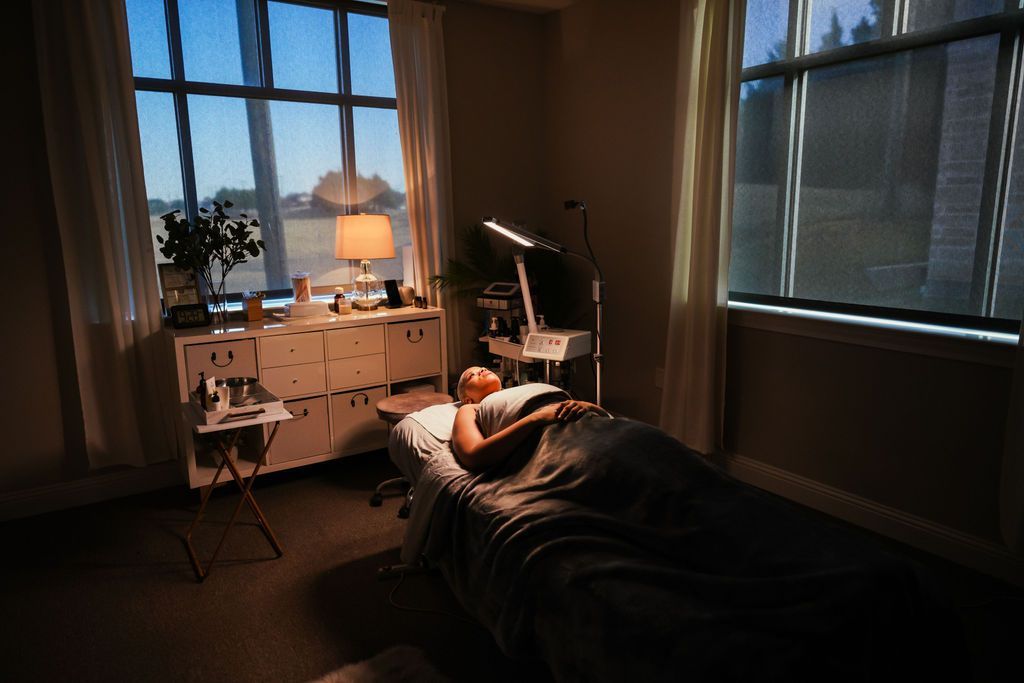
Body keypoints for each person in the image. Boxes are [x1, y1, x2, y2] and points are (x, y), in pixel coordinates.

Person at [452, 366, 608, 472]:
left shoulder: (520, 390)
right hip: (549, 432)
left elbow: (607, 417)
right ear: (467, 400)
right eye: (472, 375)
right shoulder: (471, 408)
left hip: (586, 418)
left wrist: (588, 406)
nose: (482, 370)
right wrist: (537, 418)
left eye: (482, 368)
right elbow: (473, 455)